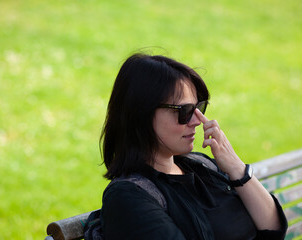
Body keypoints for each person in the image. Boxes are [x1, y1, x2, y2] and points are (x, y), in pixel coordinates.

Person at [99, 53, 288, 240]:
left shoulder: (203, 166)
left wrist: (235, 166)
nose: (197, 121)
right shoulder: (128, 197)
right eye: (185, 111)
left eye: (198, 108)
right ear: (141, 114)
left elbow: (273, 229)